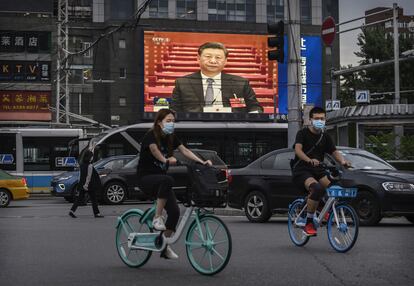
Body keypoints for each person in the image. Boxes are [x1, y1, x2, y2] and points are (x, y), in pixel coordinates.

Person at [137, 108, 212, 259]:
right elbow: (154, 150)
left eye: (173, 121)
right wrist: (165, 160)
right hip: (146, 178)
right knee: (168, 180)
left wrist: (201, 161)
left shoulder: (171, 137)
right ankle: (157, 217)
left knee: (175, 212)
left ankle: (164, 246)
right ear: (159, 123)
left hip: (161, 181)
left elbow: (185, 151)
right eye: (168, 121)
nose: (172, 124)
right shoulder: (151, 135)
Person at [291, 106, 351, 236]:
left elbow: (334, 152)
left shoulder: (325, 137)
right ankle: (308, 223)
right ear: (310, 120)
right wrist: (309, 160)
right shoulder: (302, 133)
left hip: (319, 170)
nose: (320, 121)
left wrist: (343, 161)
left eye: (322, 119)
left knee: (334, 188)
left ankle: (323, 210)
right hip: (302, 170)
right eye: (317, 118)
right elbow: (298, 150)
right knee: (317, 189)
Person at [170, 42, 263, 113]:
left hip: (231, 128)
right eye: (208, 56)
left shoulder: (240, 83)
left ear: (226, 61)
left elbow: (255, 107)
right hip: (195, 128)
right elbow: (173, 110)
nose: (213, 61)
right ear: (198, 58)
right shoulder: (183, 83)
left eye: (218, 57)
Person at [69, 149, 104, 218]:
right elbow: (89, 176)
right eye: (91, 156)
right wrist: (86, 185)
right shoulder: (89, 166)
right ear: (89, 157)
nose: (92, 158)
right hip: (88, 185)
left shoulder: (82, 165)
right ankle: (97, 214)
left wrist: (80, 184)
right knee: (94, 199)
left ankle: (71, 211)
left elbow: (80, 176)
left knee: (79, 199)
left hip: (82, 184)